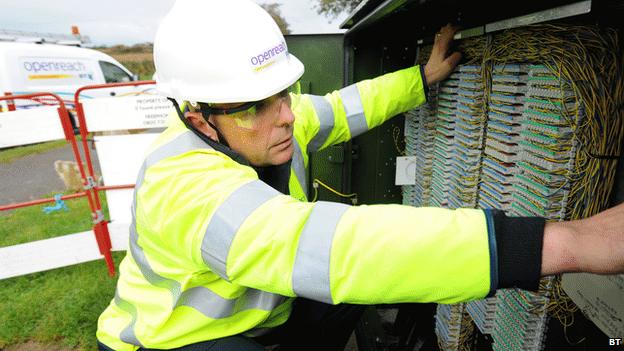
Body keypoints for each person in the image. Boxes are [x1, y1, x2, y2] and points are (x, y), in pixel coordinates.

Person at [96, 1, 624, 350]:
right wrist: (568, 242)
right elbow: (335, 249)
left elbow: (348, 106)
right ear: (198, 118)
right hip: (178, 340)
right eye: (258, 105)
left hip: (259, 318)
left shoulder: (268, 121)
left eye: (284, 92)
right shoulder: (185, 189)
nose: (286, 114)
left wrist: (422, 77)